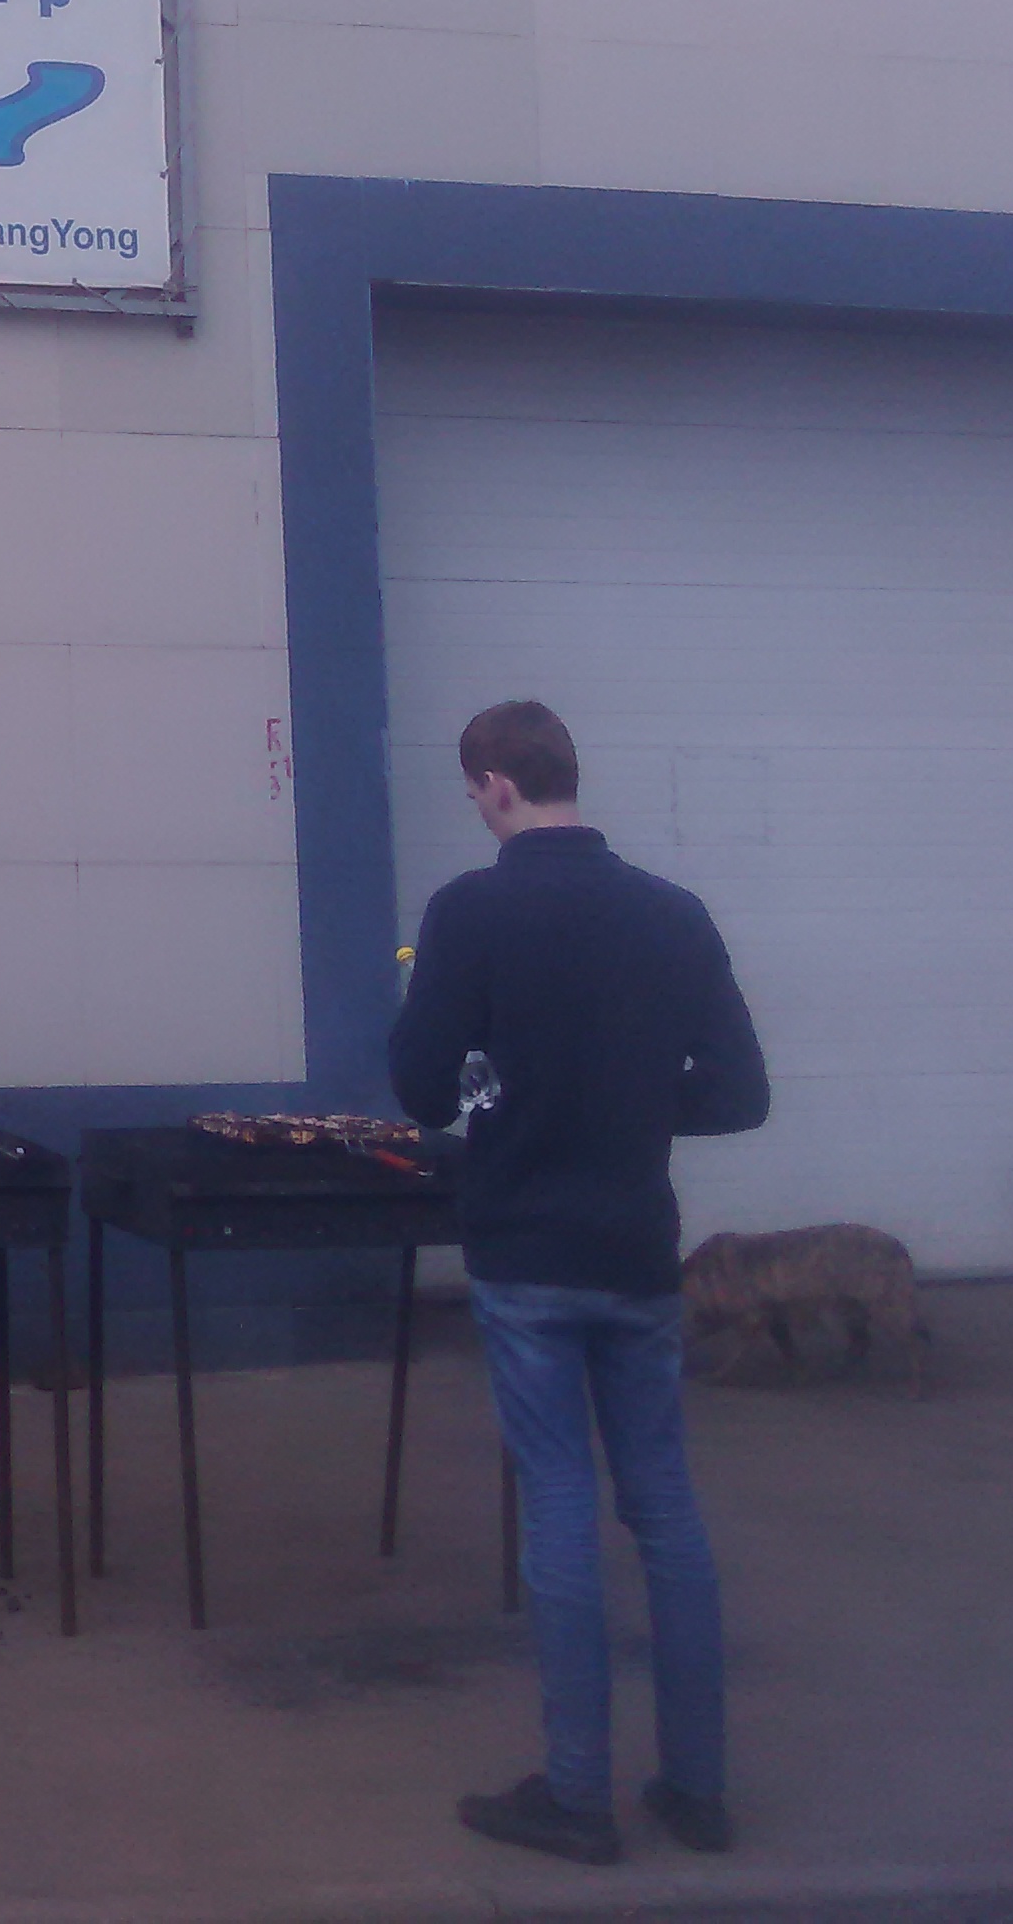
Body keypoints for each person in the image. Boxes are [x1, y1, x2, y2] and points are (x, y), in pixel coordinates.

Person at [391, 699, 772, 1870]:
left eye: (473, 791)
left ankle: (575, 1797)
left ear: (499, 786)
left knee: (559, 1505)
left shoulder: (471, 910)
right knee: (664, 1507)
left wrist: (496, 1081)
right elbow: (741, 1092)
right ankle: (697, 1792)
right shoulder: (673, 913)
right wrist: (632, 1103)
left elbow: (422, 1091)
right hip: (636, 1253)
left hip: (526, 1256)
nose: (476, 808)